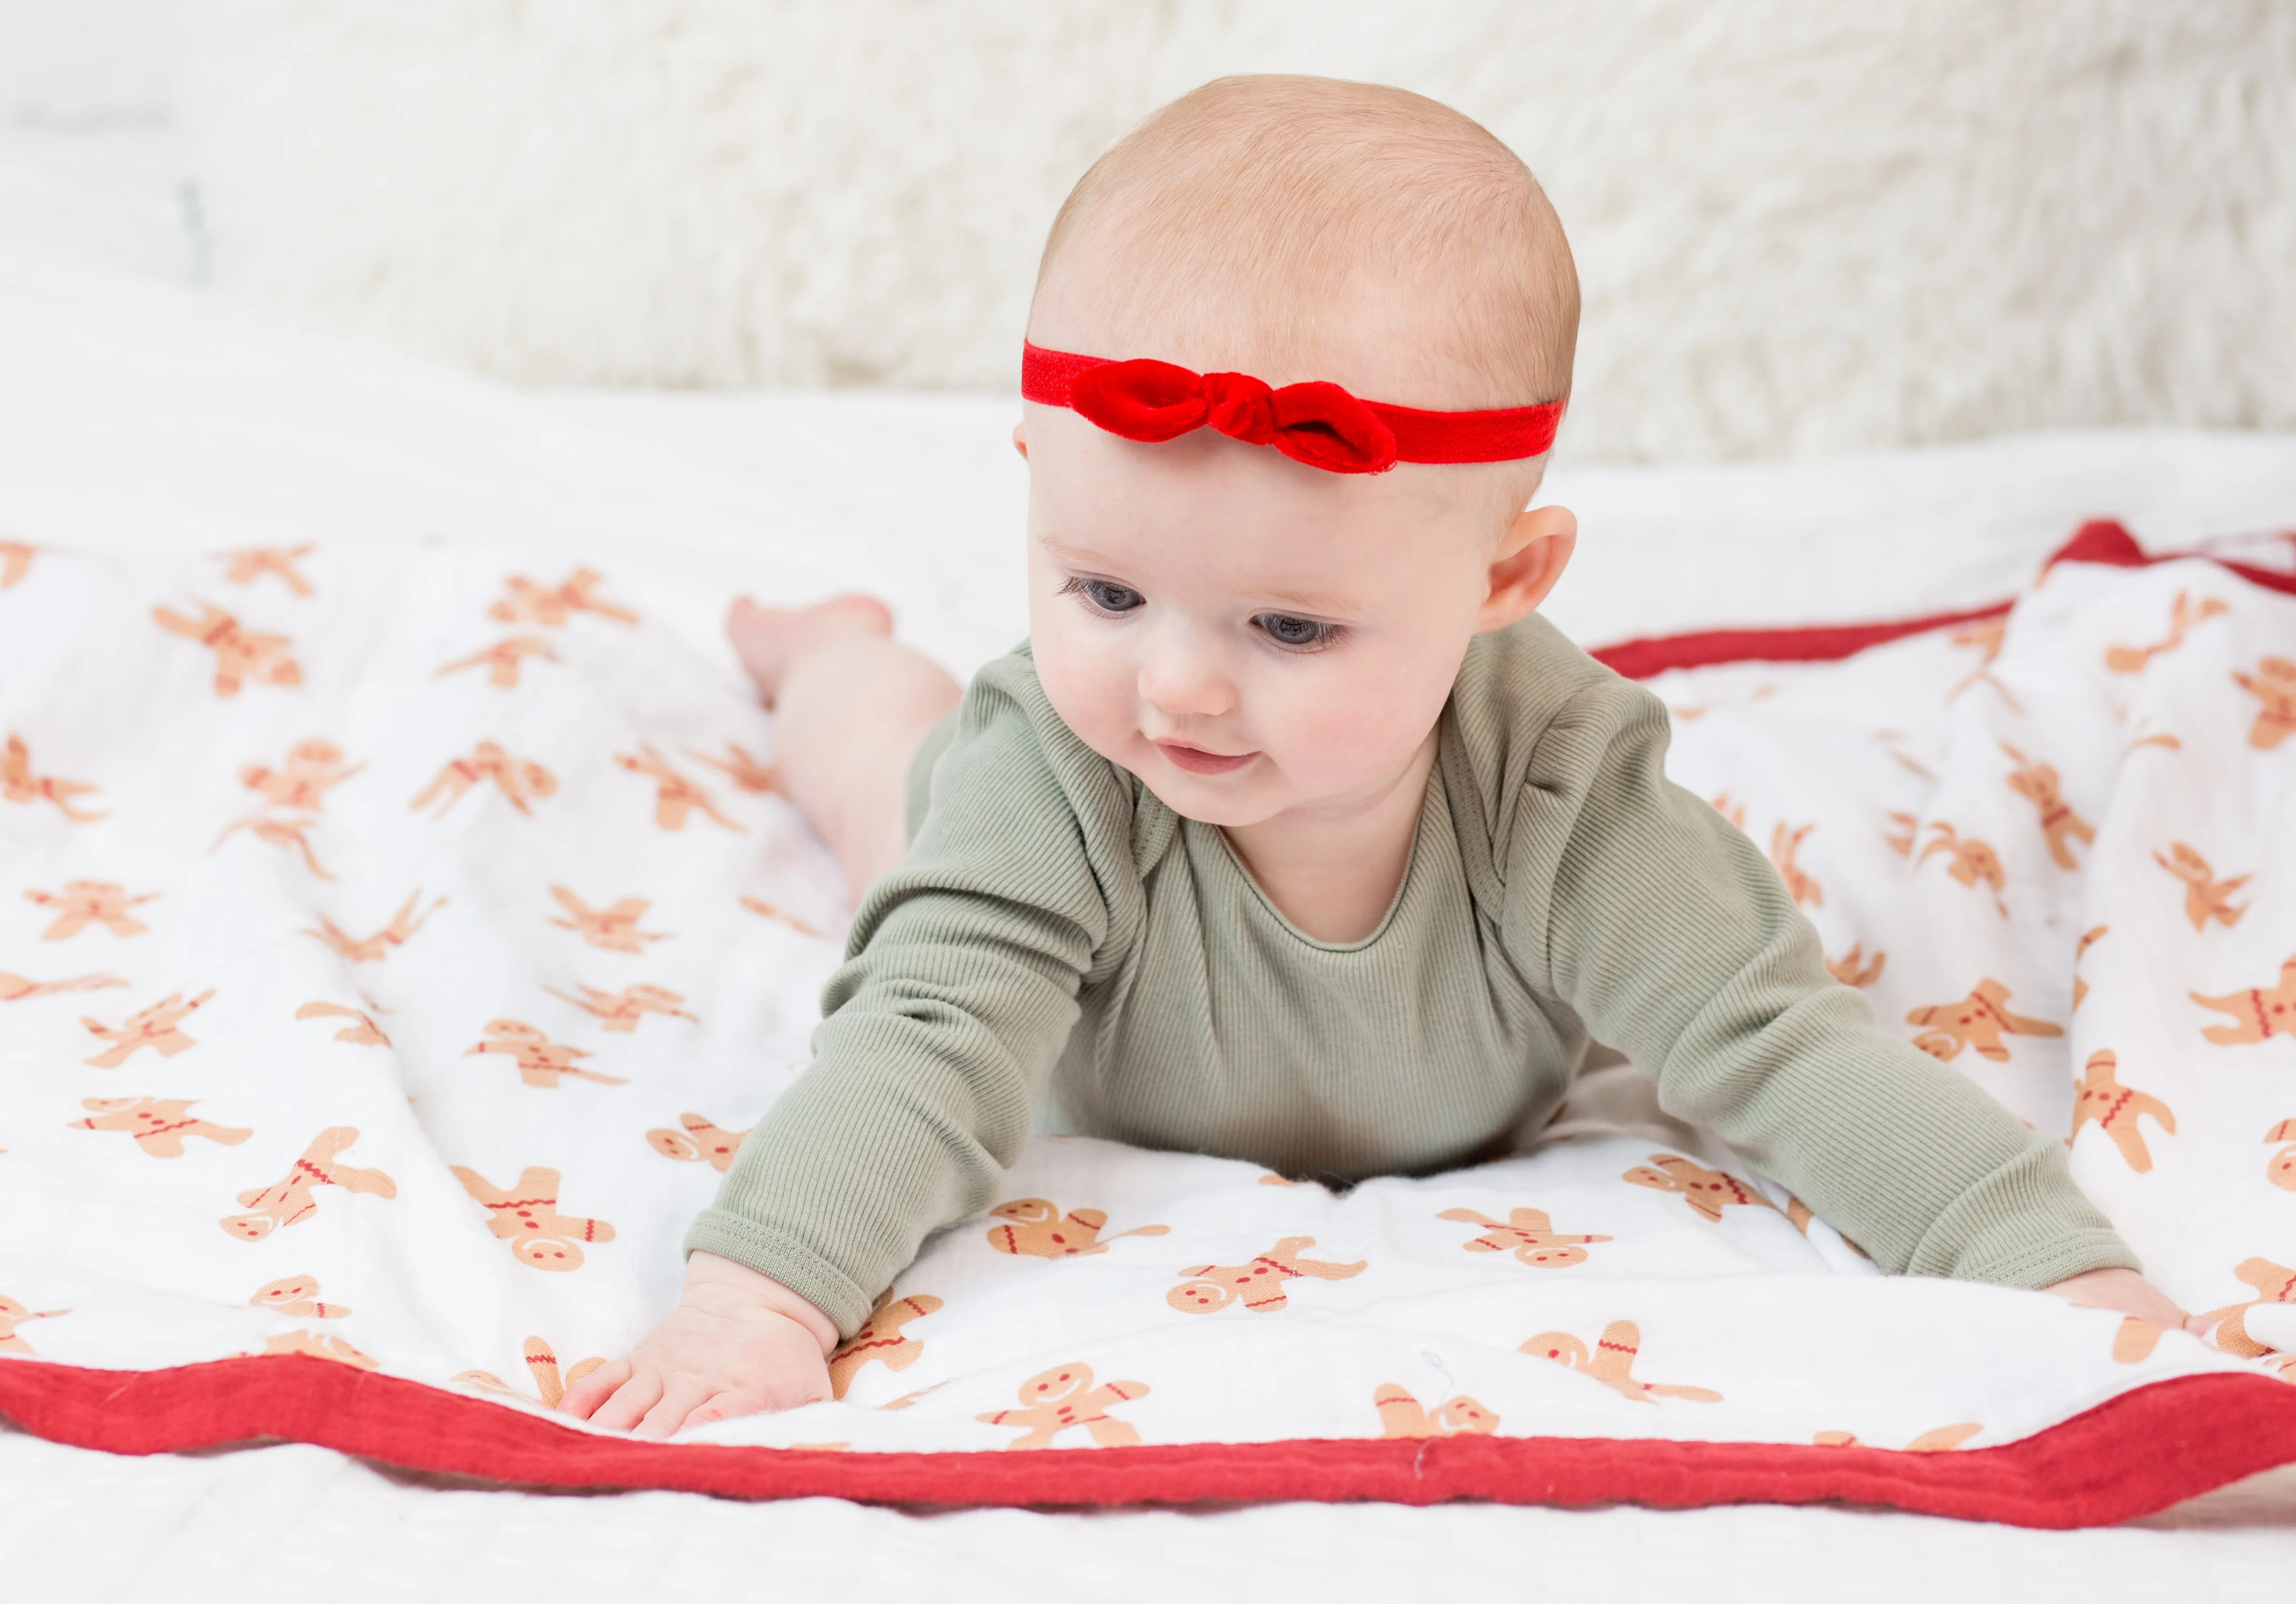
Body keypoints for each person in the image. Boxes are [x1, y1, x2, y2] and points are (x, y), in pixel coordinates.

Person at [561, 75, 2188, 1437]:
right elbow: (918, 1046)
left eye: (1288, 630)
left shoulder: (1558, 786)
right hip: (1054, 996)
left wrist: (2045, 1266)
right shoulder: (1058, 754)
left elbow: (1769, 1040)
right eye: (1107, 589)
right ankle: (832, 642)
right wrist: (757, 1301)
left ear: (1501, 583)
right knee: (880, 769)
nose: (1177, 691)